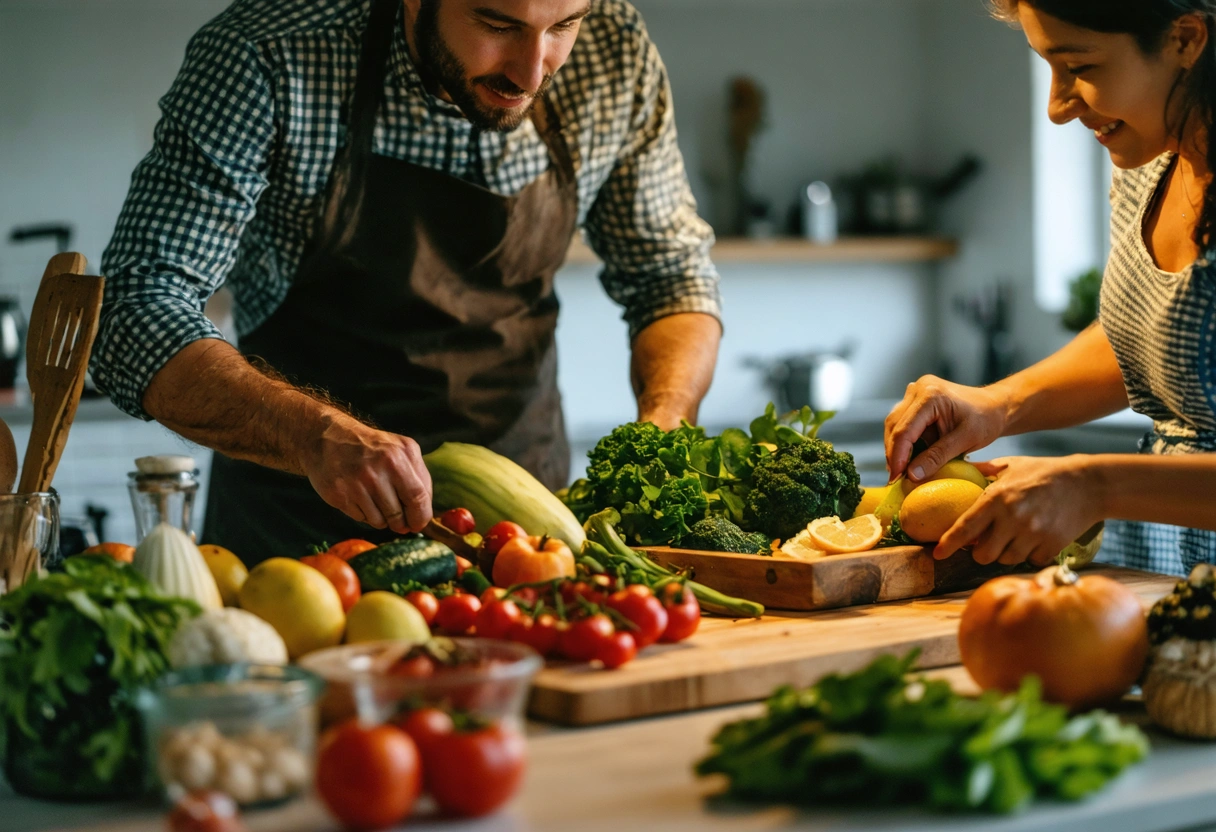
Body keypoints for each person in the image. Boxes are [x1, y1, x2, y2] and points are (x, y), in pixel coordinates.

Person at [96, 0, 722, 562]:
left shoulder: (616, 47)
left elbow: (671, 276)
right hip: (299, 547)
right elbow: (135, 311)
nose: (532, 73)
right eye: (497, 24)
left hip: (525, 546)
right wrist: (316, 438)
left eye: (563, 26)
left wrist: (662, 430)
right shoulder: (268, 54)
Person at [885, 0, 1216, 575]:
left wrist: (1096, 484)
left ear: (1186, 40)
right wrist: (999, 405)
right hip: (1166, 574)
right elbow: (1158, 343)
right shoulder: (1148, 164)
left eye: (1081, 68)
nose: (1057, 109)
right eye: (1049, 67)